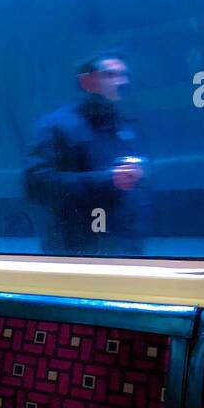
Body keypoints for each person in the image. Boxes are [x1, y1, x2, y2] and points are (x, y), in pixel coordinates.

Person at [24, 53, 149, 256]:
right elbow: (35, 184)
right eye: (110, 75)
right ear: (86, 81)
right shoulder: (55, 125)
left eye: (123, 75)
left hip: (123, 247)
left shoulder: (123, 124)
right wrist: (108, 179)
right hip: (75, 251)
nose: (121, 81)